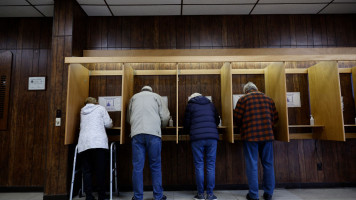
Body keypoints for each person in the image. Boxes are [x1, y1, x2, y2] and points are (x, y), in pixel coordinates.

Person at [234, 82, 278, 200]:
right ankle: (268, 193)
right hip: (267, 136)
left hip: (250, 136)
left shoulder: (243, 100)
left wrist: (243, 127)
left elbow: (237, 118)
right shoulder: (269, 99)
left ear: (246, 91)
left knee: (252, 164)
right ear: (257, 88)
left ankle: (254, 195)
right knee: (268, 164)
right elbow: (275, 117)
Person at [127, 86, 170, 200]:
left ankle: (137, 197)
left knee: (137, 167)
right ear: (151, 90)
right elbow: (165, 116)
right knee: (155, 166)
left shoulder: (134, 98)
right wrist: (161, 126)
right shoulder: (157, 97)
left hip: (136, 134)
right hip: (153, 134)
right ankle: (158, 196)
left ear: (141, 90)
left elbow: (128, 118)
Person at [183, 93, 219, 200]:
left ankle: (200, 194)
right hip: (212, 137)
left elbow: (186, 123)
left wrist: (187, 131)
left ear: (192, 98)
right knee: (211, 165)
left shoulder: (191, 105)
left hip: (197, 138)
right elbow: (217, 120)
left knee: (199, 165)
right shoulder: (210, 104)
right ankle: (210, 194)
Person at [77, 97, 113, 200]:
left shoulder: (82, 111)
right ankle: (101, 195)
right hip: (98, 142)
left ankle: (89, 196)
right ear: (96, 102)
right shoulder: (100, 108)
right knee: (100, 169)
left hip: (84, 143)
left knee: (87, 171)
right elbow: (108, 124)